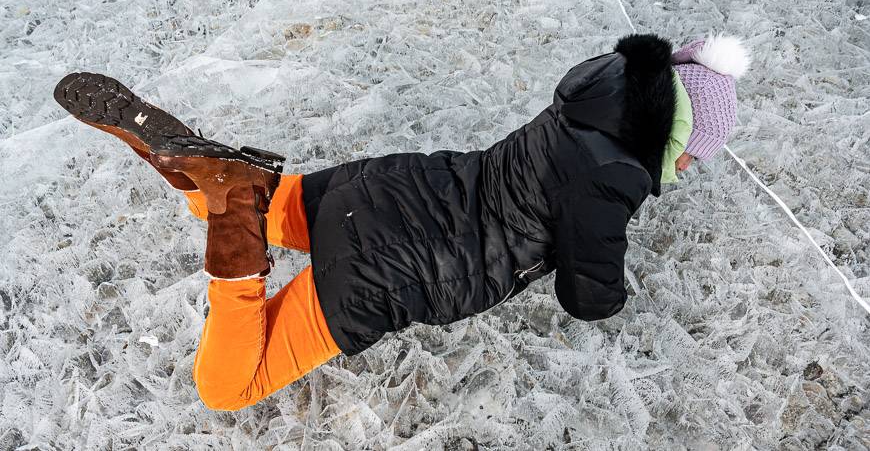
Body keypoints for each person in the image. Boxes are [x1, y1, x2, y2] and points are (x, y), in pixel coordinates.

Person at [54, 32, 750, 411]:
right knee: (227, 386)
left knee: (272, 205)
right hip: (399, 266)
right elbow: (589, 296)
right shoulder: (616, 176)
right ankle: (233, 239)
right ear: (672, 134)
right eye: (691, 157)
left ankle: (223, 182)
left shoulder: (590, 104)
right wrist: (615, 285)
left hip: (396, 183)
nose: (687, 171)